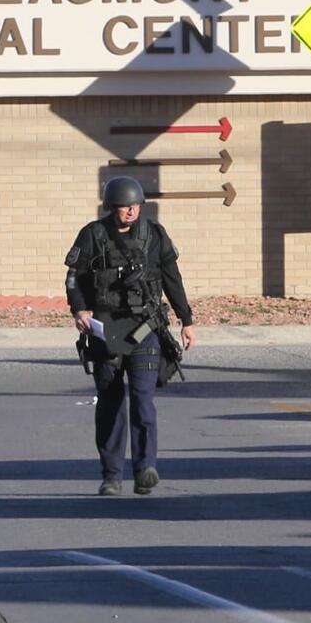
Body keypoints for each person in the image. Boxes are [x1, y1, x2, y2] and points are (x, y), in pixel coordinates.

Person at [65, 176, 196, 496]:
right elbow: (74, 279)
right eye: (126, 207)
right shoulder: (93, 235)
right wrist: (80, 310)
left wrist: (186, 319)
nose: (131, 212)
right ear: (113, 206)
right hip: (105, 330)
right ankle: (111, 475)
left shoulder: (154, 235)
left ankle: (144, 468)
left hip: (145, 328)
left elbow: (171, 278)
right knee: (110, 403)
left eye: (136, 206)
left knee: (143, 400)